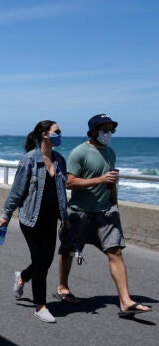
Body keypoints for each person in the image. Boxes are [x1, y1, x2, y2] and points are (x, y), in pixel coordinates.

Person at [56, 113, 152, 318]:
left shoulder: (110, 152)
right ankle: (63, 287)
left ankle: (125, 301)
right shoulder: (79, 152)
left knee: (115, 252)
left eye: (111, 130)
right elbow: (69, 182)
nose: (109, 134)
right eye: (105, 130)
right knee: (69, 251)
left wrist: (115, 204)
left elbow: (111, 181)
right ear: (93, 131)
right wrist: (99, 180)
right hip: (80, 212)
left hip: (106, 212)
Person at [0, 120, 68, 323]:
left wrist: (65, 217)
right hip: (31, 220)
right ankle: (40, 306)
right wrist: (6, 214)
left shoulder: (60, 160)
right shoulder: (29, 160)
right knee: (41, 261)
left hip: (51, 220)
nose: (60, 134)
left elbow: (61, 192)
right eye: (57, 131)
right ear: (45, 135)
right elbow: (17, 191)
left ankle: (22, 277)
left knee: (44, 261)